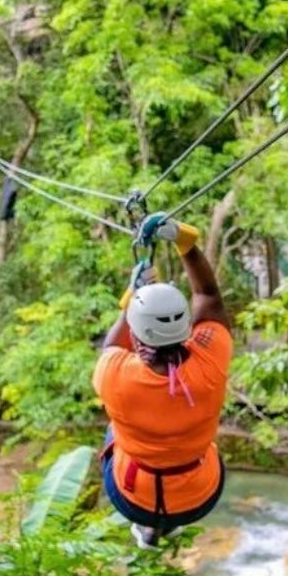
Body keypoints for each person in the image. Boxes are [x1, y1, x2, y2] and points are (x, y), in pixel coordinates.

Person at [92, 216, 233, 548]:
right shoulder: (210, 362)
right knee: (200, 443)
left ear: (139, 338)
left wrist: (133, 295)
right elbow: (209, 296)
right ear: (186, 327)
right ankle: (168, 524)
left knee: (113, 427)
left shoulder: (114, 375)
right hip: (199, 497)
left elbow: (113, 345)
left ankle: (147, 528)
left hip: (133, 497)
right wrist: (184, 241)